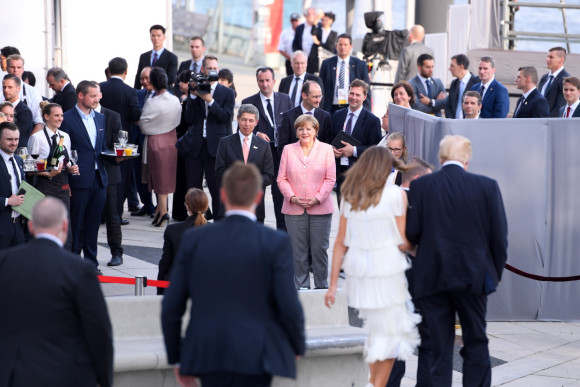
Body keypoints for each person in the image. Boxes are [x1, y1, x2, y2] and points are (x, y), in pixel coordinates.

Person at [162, 161, 305, 387]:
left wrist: (177, 358)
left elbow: (171, 306)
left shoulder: (194, 240)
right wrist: (297, 346)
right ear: (258, 198)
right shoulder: (275, 242)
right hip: (257, 354)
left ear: (223, 195)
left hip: (208, 353)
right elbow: (289, 305)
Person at [406, 135, 508, 386]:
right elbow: (499, 238)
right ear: (467, 158)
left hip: (432, 278)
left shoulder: (422, 187)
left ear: (440, 158)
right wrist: (492, 275)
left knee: (437, 346)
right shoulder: (487, 186)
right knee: (476, 341)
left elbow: (412, 233)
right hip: (473, 278)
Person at [325, 146, 420, 387]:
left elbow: (340, 243)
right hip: (388, 274)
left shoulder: (350, 196)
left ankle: (372, 383)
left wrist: (333, 285)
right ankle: (375, 385)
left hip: (361, 277)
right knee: (391, 337)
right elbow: (402, 242)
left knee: (378, 333)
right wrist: (417, 243)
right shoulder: (397, 195)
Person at [0, 197, 113, 387]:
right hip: (63, 375)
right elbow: (99, 332)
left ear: (30, 227)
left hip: (12, 375)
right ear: (66, 226)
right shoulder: (80, 270)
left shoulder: (5, 262)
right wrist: (104, 380)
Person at [386, 156, 434, 387]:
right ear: (416, 179)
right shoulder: (422, 201)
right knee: (428, 340)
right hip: (419, 279)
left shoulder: (383, 199)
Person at [278, 114, 335, 289]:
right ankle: (301, 288)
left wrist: (317, 198)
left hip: (321, 209)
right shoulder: (288, 149)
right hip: (294, 209)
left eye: (308, 128)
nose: (304, 132)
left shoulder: (326, 149)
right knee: (298, 252)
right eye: (301, 128)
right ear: (296, 131)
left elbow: (330, 178)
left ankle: (321, 287)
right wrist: (292, 197)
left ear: (315, 131)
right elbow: (281, 178)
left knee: (319, 251)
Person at [178, 55, 235, 221]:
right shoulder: (195, 88)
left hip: (215, 147)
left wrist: (210, 101)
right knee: (193, 189)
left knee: (217, 188)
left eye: (215, 68)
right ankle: (195, 222)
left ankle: (219, 224)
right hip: (195, 145)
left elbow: (226, 118)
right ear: (202, 70)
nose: (212, 71)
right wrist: (194, 96)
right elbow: (188, 119)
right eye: (209, 68)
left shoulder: (227, 93)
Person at [59, 81, 108, 273]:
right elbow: (63, 149)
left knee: (93, 225)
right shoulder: (68, 118)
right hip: (78, 179)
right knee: (76, 223)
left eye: (98, 96)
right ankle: (73, 263)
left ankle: (91, 264)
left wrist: (116, 158)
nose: (97, 99)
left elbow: (100, 149)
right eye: (93, 96)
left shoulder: (100, 118)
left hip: (99, 178)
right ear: (81, 95)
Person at [241, 67, 292, 230]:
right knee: (257, 201)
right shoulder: (248, 102)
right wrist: (256, 134)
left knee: (280, 198)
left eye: (267, 80)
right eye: (261, 81)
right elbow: (241, 129)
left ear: (274, 81)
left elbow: (291, 125)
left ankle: (281, 238)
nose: (264, 84)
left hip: (279, 156)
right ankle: (257, 236)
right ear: (257, 82)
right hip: (258, 157)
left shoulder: (285, 99)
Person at [215, 104, 274, 222]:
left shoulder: (264, 146)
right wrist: (237, 183)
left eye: (251, 121)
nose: (247, 124)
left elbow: (269, 175)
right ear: (237, 120)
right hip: (230, 204)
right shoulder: (225, 143)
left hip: (255, 207)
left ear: (256, 122)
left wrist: (251, 184)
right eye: (244, 120)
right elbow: (219, 171)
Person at [99, 57, 141, 220]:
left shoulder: (100, 87)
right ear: (126, 72)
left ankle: (101, 213)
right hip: (123, 140)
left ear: (109, 70)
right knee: (121, 179)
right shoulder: (131, 91)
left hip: (101, 136)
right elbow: (135, 116)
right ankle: (115, 214)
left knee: (102, 175)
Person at [139, 67, 181, 227]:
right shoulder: (175, 100)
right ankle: (160, 211)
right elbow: (177, 119)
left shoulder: (152, 102)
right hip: (171, 139)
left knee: (158, 178)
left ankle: (163, 212)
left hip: (155, 140)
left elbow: (144, 125)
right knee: (164, 177)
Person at [331, 79, 382, 204]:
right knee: (342, 211)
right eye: (351, 93)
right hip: (340, 173)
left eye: (358, 95)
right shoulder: (337, 115)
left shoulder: (372, 120)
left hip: (360, 174)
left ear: (364, 97)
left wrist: (353, 151)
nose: (353, 97)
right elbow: (329, 139)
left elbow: (375, 149)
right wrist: (331, 149)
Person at [27, 102, 78, 219]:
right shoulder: (37, 138)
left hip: (63, 188)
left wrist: (71, 168)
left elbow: (67, 160)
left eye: (61, 115)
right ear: (46, 116)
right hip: (44, 189)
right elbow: (29, 168)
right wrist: (48, 173)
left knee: (63, 225)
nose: (60, 119)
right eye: (56, 115)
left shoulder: (65, 136)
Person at [157, 187, 208, 295]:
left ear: (187, 206)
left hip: (177, 288)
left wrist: (160, 289)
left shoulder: (173, 230)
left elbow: (165, 263)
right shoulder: (216, 231)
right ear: (206, 207)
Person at [96, 101, 124, 266]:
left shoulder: (112, 116)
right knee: (87, 216)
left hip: (109, 171)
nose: (94, 99)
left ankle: (117, 252)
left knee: (112, 215)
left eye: (96, 95)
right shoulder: (75, 116)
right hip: (87, 173)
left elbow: (117, 143)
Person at [319, 34, 371, 113]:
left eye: (345, 45)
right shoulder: (327, 64)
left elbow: (366, 89)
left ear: (350, 47)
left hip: (352, 107)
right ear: (336, 46)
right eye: (340, 44)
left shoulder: (360, 65)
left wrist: (367, 112)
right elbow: (320, 87)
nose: (342, 47)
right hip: (331, 108)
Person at [279, 80, 332, 152]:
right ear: (304, 95)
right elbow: (282, 147)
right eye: (315, 97)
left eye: (320, 96)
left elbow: (327, 145)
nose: (318, 100)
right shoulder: (288, 117)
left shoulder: (325, 116)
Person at [131, 66, 156, 218]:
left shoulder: (162, 95)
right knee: (139, 175)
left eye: (147, 78)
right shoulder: (138, 94)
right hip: (138, 140)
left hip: (154, 141)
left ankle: (161, 207)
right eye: (142, 78)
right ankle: (147, 205)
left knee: (156, 175)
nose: (144, 81)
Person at [0, 122, 25, 248]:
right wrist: (7, 201)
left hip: (19, 228)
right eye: (9, 139)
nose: (14, 143)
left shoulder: (19, 160)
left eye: (16, 139)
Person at [2, 55, 43, 132]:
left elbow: (39, 122)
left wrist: (29, 142)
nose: (15, 70)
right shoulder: (1, 91)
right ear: (7, 68)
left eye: (18, 67)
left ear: (23, 69)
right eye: (12, 67)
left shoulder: (33, 92)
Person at [134, 24, 178, 89]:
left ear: (164, 37)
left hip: (164, 93)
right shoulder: (144, 56)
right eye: (153, 35)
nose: (156, 38)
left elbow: (171, 78)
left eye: (158, 35)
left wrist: (153, 82)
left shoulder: (172, 57)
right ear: (150, 37)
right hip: (146, 93)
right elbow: (138, 77)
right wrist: (135, 93)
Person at [445, 54, 480, 119]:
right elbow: (448, 107)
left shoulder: (477, 83)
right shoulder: (454, 83)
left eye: (452, 66)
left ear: (461, 66)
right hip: (454, 126)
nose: (449, 69)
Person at [538, 46, 570, 117]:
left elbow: (560, 107)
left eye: (551, 57)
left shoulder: (566, 79)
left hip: (550, 123)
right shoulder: (544, 78)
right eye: (547, 57)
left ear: (561, 60)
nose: (547, 59)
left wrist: (545, 121)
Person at [2, 74, 33, 147]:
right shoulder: (2, 107)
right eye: (4, 87)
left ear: (18, 89)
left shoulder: (25, 112)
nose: (6, 90)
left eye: (10, 87)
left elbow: (16, 136)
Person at [292, 7, 319, 72]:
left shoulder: (320, 27)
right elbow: (295, 44)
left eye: (314, 14)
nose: (312, 16)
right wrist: (298, 55)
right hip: (301, 62)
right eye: (310, 14)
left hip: (316, 61)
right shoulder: (300, 28)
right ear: (305, 15)